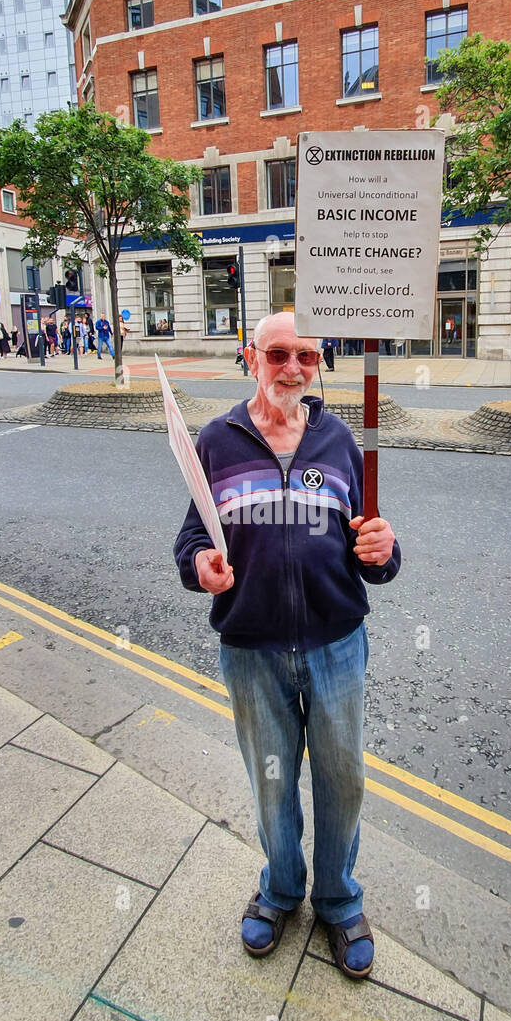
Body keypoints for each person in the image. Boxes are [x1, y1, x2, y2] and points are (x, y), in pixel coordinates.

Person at [173, 312, 400, 981]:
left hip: (335, 643)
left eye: (306, 356)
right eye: (278, 355)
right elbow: (191, 538)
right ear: (250, 358)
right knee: (272, 786)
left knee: (343, 782)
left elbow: (371, 547)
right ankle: (279, 891)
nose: (293, 369)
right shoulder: (217, 441)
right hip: (251, 648)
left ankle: (336, 900)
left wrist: (384, 554)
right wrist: (200, 567)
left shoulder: (338, 441)